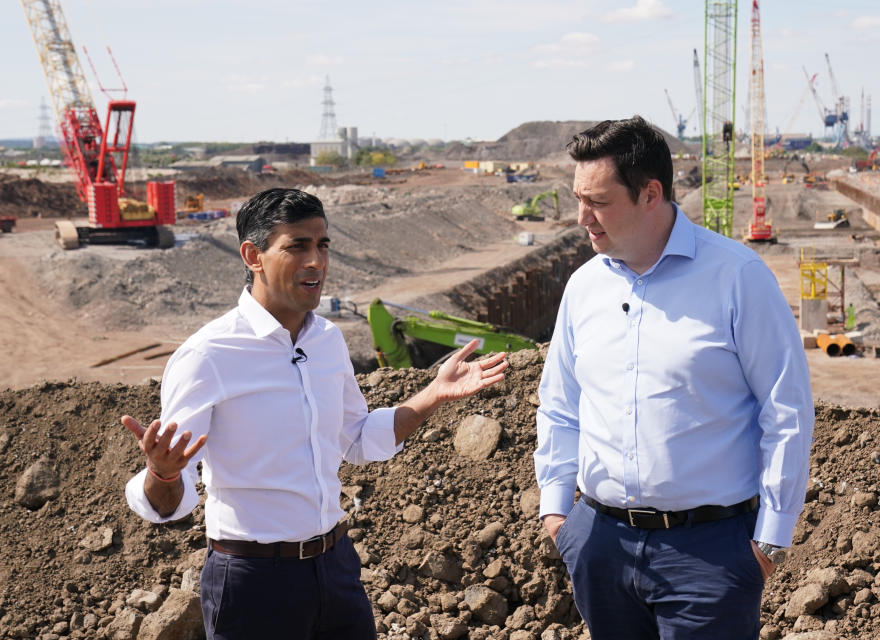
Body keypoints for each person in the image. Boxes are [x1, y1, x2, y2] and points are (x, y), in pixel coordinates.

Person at [122, 187, 508, 640]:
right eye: (297, 246)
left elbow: (358, 439)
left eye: (322, 245)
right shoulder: (208, 355)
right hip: (253, 583)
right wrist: (163, 474)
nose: (316, 262)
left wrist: (432, 395)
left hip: (336, 569)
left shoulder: (327, 340)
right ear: (253, 255)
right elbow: (170, 498)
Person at [534, 116, 813, 639]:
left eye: (597, 201)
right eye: (578, 198)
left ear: (650, 194)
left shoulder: (737, 277)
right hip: (599, 544)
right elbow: (560, 406)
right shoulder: (583, 287)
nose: (581, 217)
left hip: (708, 553)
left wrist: (769, 543)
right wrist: (557, 517)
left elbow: (787, 411)